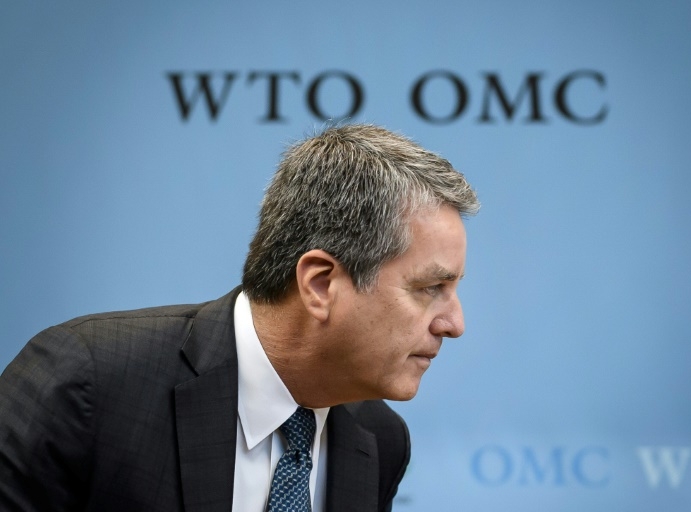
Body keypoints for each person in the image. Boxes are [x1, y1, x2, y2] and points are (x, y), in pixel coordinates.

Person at [0, 124, 479, 512]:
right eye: (430, 289)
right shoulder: (89, 382)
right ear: (320, 285)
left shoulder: (381, 440)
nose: (454, 324)